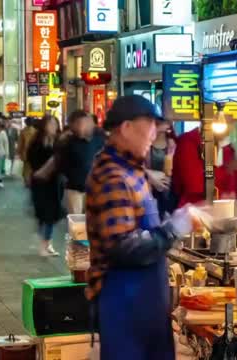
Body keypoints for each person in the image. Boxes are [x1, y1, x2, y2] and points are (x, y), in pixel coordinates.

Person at [85, 95, 194, 359]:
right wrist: (173, 229)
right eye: (150, 125)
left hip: (146, 309)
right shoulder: (112, 176)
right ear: (126, 128)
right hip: (124, 307)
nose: (154, 133)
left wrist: (172, 220)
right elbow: (124, 247)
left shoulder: (133, 171)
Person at [46, 110, 105, 214]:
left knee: (92, 221)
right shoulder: (67, 142)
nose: (81, 127)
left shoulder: (99, 138)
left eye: (83, 123)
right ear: (72, 126)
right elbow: (59, 162)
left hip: (93, 189)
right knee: (77, 224)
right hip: (74, 189)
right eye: (77, 124)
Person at [27, 116, 63, 257]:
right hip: (41, 183)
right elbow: (31, 159)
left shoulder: (59, 142)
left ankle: (47, 243)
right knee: (46, 215)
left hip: (55, 183)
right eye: (50, 124)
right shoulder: (37, 142)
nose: (53, 126)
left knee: (53, 215)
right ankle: (44, 244)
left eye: (55, 123)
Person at [146, 119, 177, 215]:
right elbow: (137, 166)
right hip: (149, 188)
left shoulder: (173, 144)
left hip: (168, 188)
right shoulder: (146, 143)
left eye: (165, 121)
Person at [17, 117, 37, 186]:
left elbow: (20, 143)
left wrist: (19, 152)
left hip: (26, 152)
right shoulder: (35, 131)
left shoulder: (23, 131)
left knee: (26, 167)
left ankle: (27, 181)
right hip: (33, 153)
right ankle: (30, 180)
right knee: (31, 167)